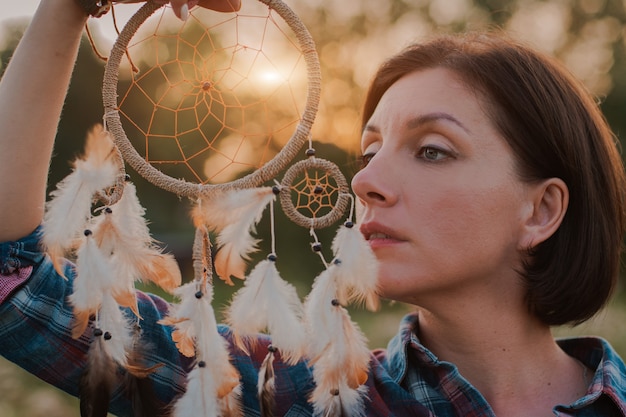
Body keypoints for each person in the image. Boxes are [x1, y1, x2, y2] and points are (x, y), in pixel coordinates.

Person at [1, 0, 625, 416]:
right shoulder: (297, 396)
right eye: (369, 152)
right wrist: (65, 9)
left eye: (432, 151)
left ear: (540, 211)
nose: (367, 183)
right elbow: (13, 280)